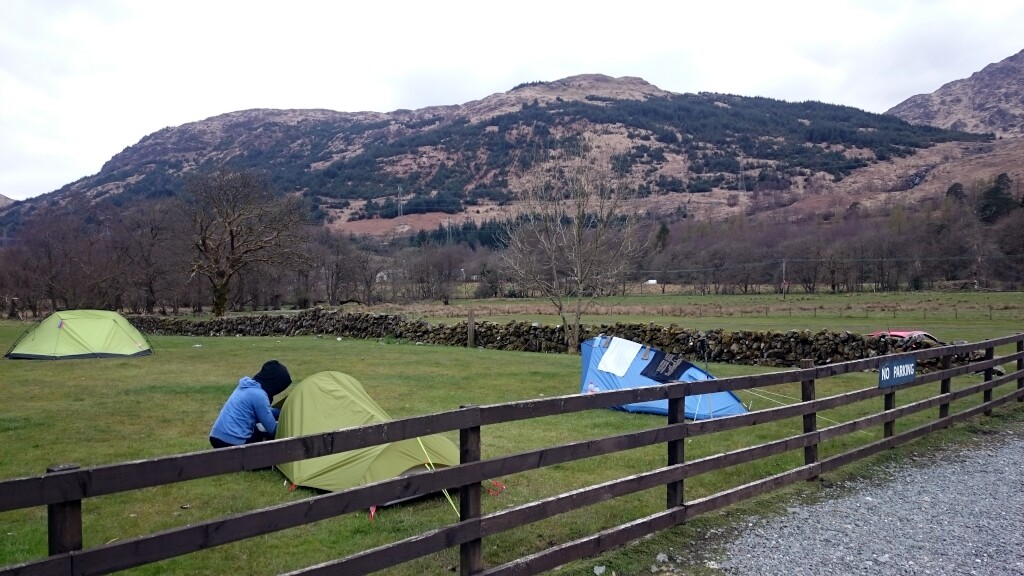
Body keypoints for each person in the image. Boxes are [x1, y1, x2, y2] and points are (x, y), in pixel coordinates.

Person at [209, 360, 292, 449]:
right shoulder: (259, 395)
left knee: (256, 429)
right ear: (275, 383)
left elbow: (264, 413)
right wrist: (292, 426)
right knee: (266, 436)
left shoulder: (247, 386)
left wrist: (282, 411)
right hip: (231, 441)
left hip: (216, 435)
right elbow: (272, 429)